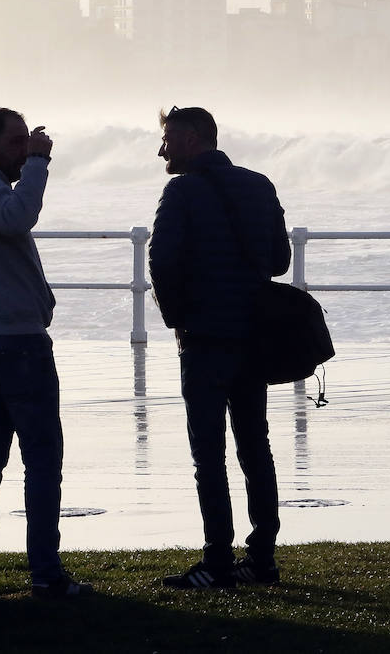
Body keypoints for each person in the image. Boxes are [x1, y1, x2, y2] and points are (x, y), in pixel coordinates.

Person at [149, 107, 291, 589]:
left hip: (206, 339)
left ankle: (217, 561)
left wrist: (178, 321)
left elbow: (161, 263)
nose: (162, 150)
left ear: (191, 140)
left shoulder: (181, 191)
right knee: (256, 446)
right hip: (253, 335)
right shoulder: (259, 184)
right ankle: (263, 558)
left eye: (167, 139)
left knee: (208, 453)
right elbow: (279, 259)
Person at [0, 108, 91, 599]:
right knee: (43, 458)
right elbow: (14, 218)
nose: (25, 149)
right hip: (15, 342)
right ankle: (46, 573)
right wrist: (42, 164)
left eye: (29, 141)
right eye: (16, 142)